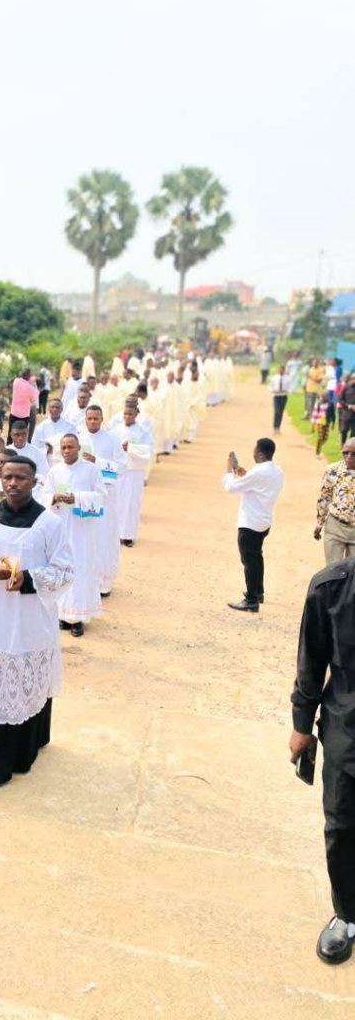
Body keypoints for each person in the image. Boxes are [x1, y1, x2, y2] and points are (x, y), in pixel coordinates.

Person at [0, 456, 73, 798]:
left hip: (29, 617)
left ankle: (23, 750)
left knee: (26, 682)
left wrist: (28, 578)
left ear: (35, 482)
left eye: (20, 478)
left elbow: (65, 571)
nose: (12, 483)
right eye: (7, 476)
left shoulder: (50, 524)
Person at [289, 555, 355, 964]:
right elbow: (311, 660)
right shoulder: (330, 588)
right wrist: (301, 724)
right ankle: (347, 915)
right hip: (348, 736)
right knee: (342, 827)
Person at [45, 435, 104, 637]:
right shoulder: (54, 471)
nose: (67, 451)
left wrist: (77, 498)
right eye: (63, 447)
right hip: (60, 527)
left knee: (80, 568)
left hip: (82, 529)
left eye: (70, 447)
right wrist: (53, 497)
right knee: (61, 567)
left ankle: (78, 618)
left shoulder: (91, 470)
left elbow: (101, 496)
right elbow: (44, 495)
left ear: (78, 448)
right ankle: (62, 614)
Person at [222, 438, 284, 612]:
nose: (253, 453)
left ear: (261, 454)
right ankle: (258, 592)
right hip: (264, 520)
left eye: (255, 451)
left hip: (250, 522)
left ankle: (251, 600)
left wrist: (229, 471)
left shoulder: (258, 472)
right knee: (256, 556)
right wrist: (246, 475)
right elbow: (259, 484)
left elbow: (231, 488)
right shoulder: (278, 471)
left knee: (249, 560)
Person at [77, 405, 124, 596]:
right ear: (85, 419)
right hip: (83, 495)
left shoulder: (112, 439)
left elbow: (121, 467)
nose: (93, 421)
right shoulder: (78, 438)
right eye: (89, 418)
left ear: (102, 419)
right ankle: (85, 580)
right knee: (84, 537)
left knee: (104, 537)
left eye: (96, 418)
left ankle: (104, 582)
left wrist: (97, 461)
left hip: (104, 496)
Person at [108, 403, 152, 547]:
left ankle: (128, 536)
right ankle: (115, 534)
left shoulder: (143, 431)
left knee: (131, 503)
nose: (127, 417)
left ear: (136, 415)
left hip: (134, 472)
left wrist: (131, 448)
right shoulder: (115, 430)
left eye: (130, 414)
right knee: (117, 502)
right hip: (119, 471)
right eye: (125, 414)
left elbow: (147, 451)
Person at [314, 440, 355, 563]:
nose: (349, 456)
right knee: (333, 570)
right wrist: (319, 523)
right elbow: (325, 497)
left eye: (353, 454)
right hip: (335, 527)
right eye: (345, 452)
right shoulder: (333, 470)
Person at [32, 398, 75, 463]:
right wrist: (46, 449)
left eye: (57, 407)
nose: (55, 409)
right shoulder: (41, 427)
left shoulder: (70, 426)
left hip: (64, 459)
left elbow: (74, 443)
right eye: (52, 407)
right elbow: (35, 444)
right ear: (49, 409)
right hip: (47, 460)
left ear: (62, 409)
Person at [9, 368, 39, 434]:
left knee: (11, 432)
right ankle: (29, 438)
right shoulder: (31, 388)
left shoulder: (16, 382)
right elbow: (33, 400)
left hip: (14, 413)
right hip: (24, 415)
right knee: (23, 432)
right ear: (29, 376)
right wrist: (34, 387)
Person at [269, 364, 290, 435]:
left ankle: (278, 428)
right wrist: (274, 390)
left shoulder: (287, 378)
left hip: (283, 396)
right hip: (276, 396)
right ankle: (275, 427)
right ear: (278, 370)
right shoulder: (274, 378)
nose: (281, 371)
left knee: (281, 412)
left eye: (282, 370)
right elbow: (270, 386)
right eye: (279, 370)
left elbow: (290, 388)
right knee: (277, 412)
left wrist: (285, 390)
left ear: (284, 371)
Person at [311, 392, 332, 458]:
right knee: (320, 437)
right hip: (319, 422)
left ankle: (319, 446)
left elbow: (331, 413)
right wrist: (313, 423)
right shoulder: (318, 404)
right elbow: (314, 413)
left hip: (326, 423)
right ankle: (318, 453)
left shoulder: (329, 404)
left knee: (325, 438)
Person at [338, 373, 355, 447]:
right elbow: (340, 399)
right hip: (346, 413)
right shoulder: (346, 387)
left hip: (354, 415)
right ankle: (343, 444)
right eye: (353, 379)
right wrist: (349, 406)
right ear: (351, 379)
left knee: (354, 432)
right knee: (344, 430)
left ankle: (351, 447)